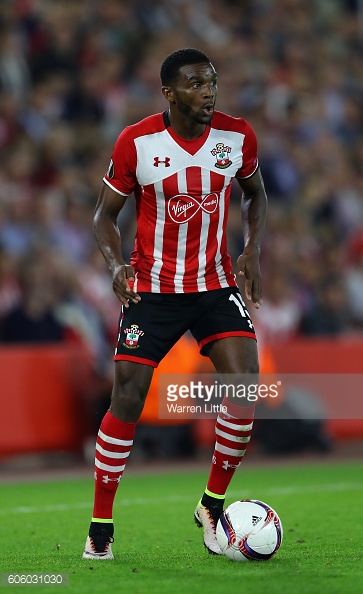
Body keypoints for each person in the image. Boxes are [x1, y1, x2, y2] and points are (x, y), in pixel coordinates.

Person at [82, 48, 267, 560]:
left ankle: (211, 503)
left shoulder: (237, 136)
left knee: (246, 387)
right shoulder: (136, 142)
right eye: (195, 84)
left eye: (211, 82)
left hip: (213, 285)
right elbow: (103, 217)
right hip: (153, 288)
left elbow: (256, 194)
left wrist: (251, 249)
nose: (208, 92)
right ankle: (100, 526)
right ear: (169, 91)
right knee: (127, 396)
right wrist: (115, 266)